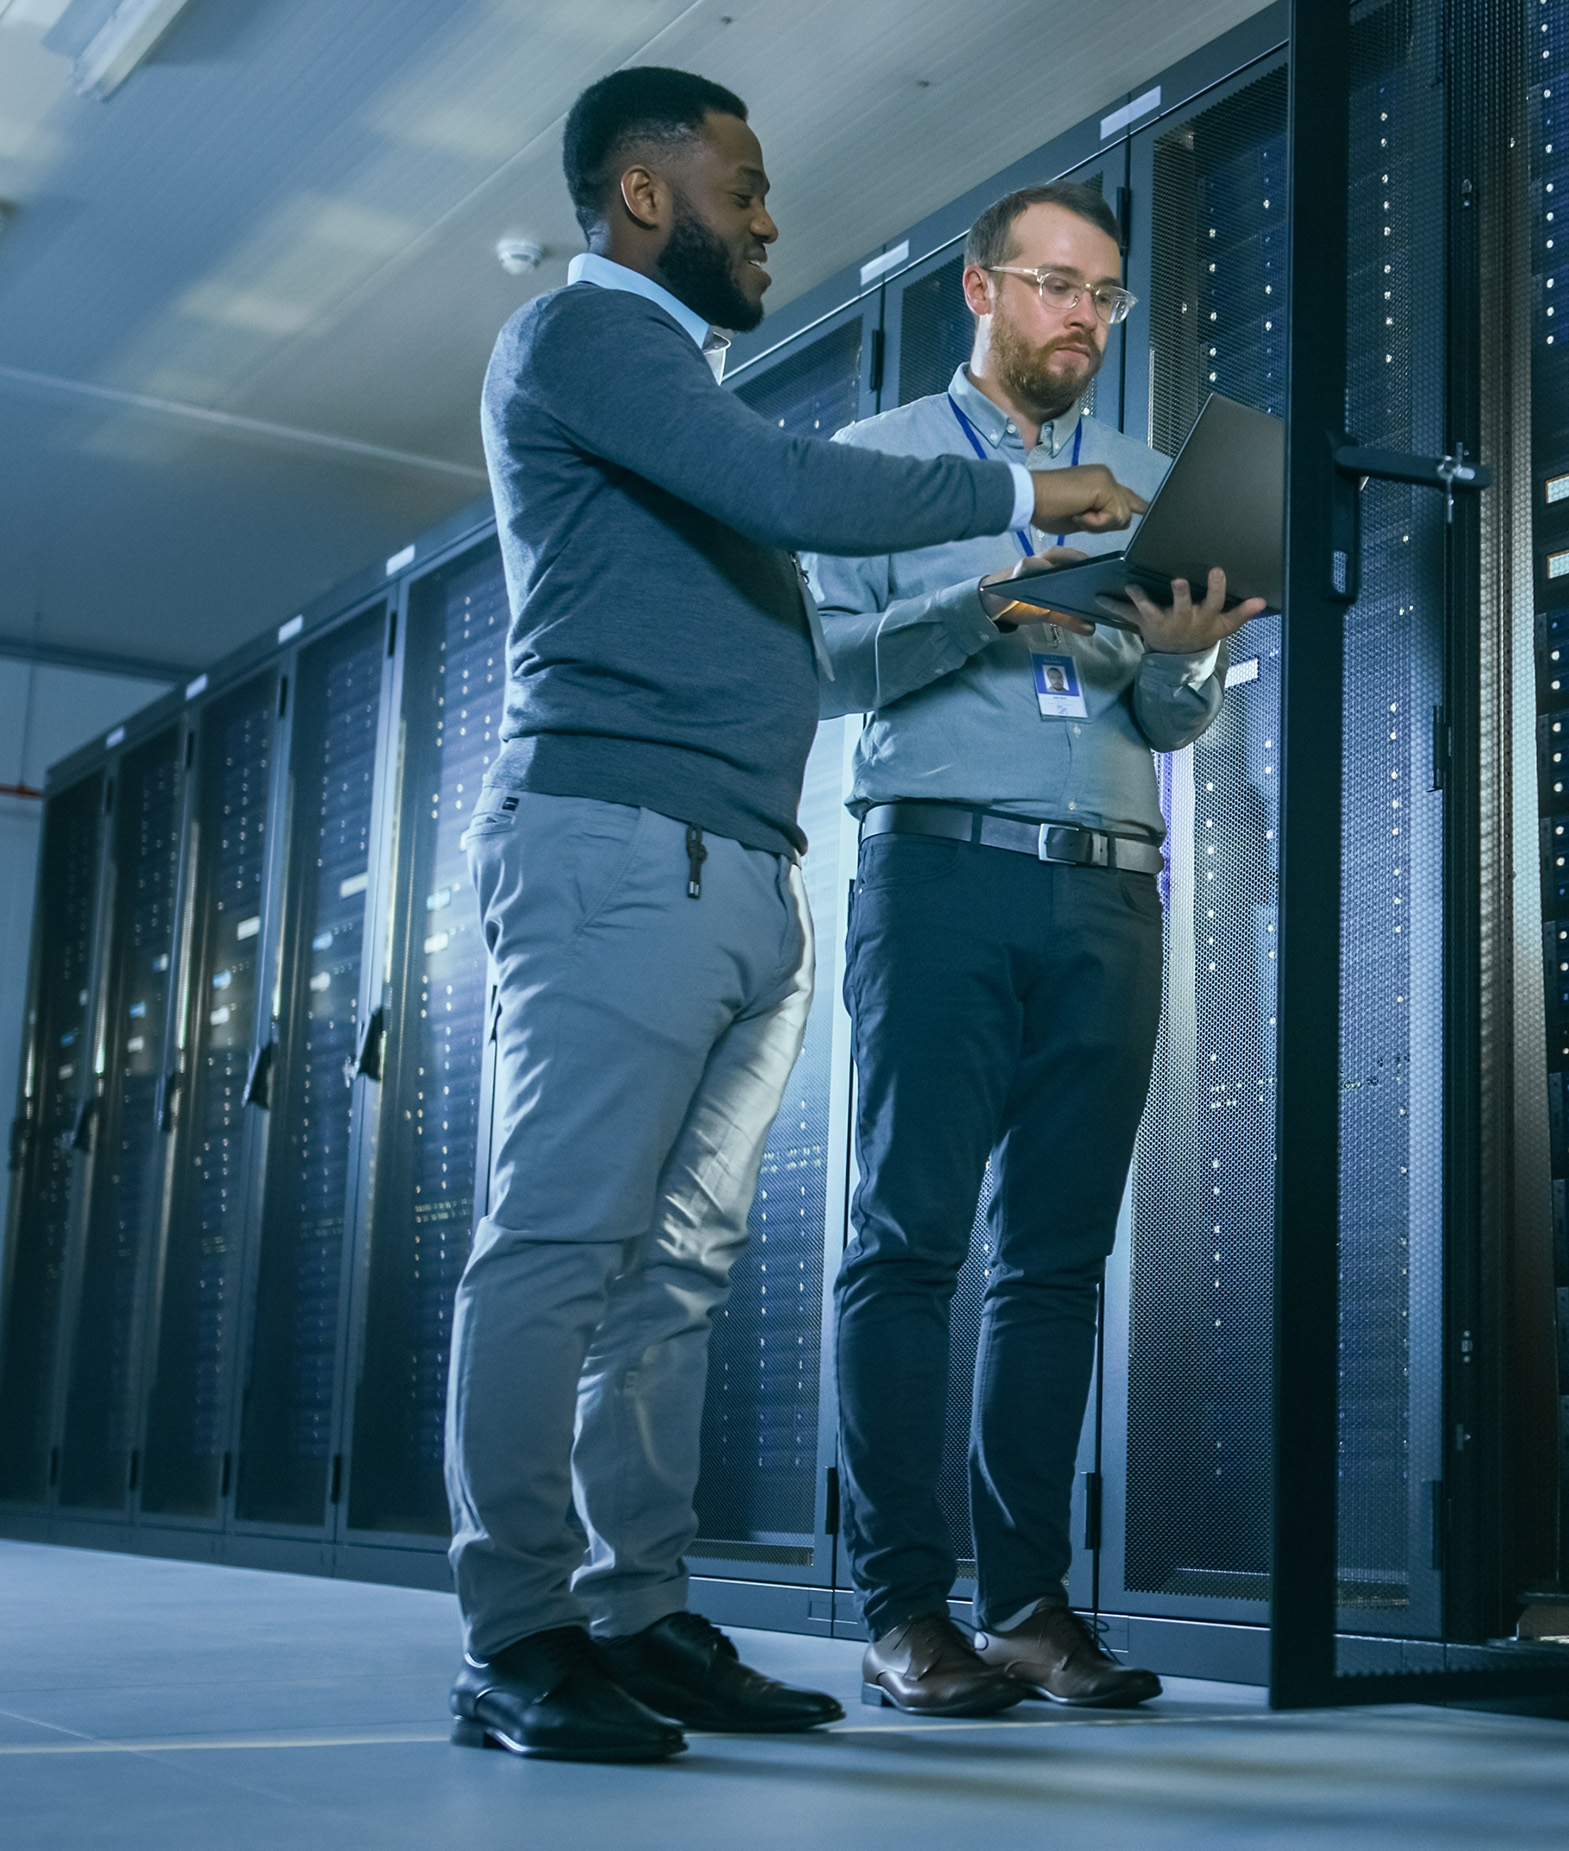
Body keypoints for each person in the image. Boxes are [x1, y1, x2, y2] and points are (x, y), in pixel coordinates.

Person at [447, 71, 1143, 1764]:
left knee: (676, 1269)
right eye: (741, 187)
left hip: (738, 863)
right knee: (561, 1248)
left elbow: (787, 611)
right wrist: (1019, 502)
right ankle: (517, 1630)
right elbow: (803, 499)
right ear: (638, 192)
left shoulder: (680, 387)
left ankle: (635, 1607)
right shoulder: (586, 341)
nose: (770, 218)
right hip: (621, 842)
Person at [810, 180, 1264, 1716]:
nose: (1083, 316)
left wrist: (1190, 665)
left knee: (1058, 1262)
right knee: (907, 1244)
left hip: (1108, 889)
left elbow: (1163, 713)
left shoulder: (1145, 479)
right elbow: (825, 665)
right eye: (1057, 285)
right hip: (940, 877)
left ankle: (1025, 1606)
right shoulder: (875, 470)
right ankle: (900, 1607)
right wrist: (984, 602)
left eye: (1107, 295)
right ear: (982, 291)